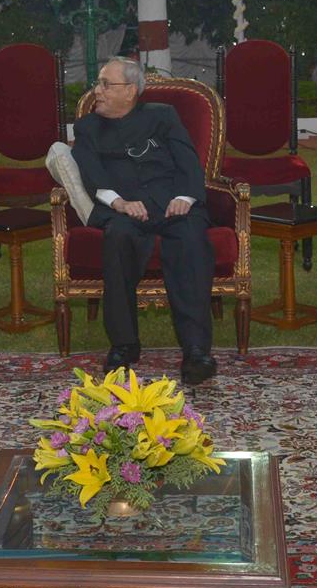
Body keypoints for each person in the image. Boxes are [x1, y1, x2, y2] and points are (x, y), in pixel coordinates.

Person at [71, 57, 218, 385]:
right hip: (127, 211)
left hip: (172, 206)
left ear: (132, 91)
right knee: (117, 239)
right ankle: (124, 345)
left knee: (192, 240)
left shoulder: (162, 116)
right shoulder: (87, 128)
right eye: (98, 83)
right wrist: (119, 203)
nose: (98, 91)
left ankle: (196, 350)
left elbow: (188, 162)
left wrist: (186, 197)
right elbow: (92, 176)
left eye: (107, 84)